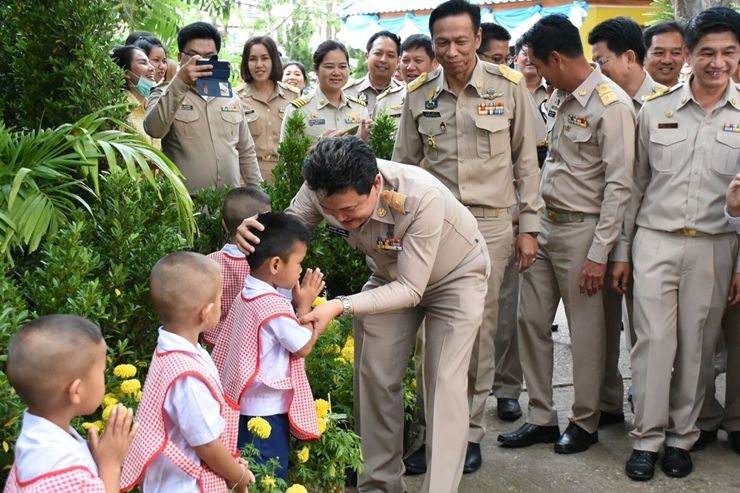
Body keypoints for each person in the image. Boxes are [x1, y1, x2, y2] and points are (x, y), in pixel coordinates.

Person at [235, 136, 490, 493]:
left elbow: (412, 290)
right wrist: (251, 232)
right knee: (374, 374)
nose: (341, 220)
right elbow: (284, 238)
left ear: (376, 185)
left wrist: (339, 305)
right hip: (388, 275)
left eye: (350, 210)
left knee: (443, 383)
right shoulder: (318, 189)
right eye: (332, 211)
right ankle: (379, 485)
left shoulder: (420, 197)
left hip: (454, 278)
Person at [392, 0, 543, 474]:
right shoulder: (419, 94)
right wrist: (395, 232)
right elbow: (400, 169)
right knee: (428, 337)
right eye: (442, 43)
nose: (452, 51)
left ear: (478, 38)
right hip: (432, 226)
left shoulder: (508, 87)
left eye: (461, 41)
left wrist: (529, 228)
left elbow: (526, 162)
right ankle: (434, 431)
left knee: (476, 332)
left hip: (493, 224)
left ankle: (469, 432)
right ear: (431, 43)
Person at [610, 7, 740, 481]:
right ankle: (646, 439)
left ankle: (682, 439)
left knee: (698, 348)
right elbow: (634, 188)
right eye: (707, 52)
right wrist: (622, 252)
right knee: (652, 344)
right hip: (655, 242)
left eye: (728, 52)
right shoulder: (656, 111)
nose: (717, 62)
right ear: (690, 54)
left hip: (715, 246)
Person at [498, 14, 635, 455]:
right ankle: (541, 415)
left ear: (556, 58)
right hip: (546, 227)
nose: (536, 74)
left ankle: (586, 418)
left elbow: (619, 186)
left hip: (584, 232)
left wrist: (600, 253)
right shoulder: (561, 98)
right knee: (531, 322)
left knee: (587, 332)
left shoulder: (610, 105)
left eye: (539, 65)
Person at [587, 15, 666, 427]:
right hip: (607, 235)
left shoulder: (665, 104)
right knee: (603, 329)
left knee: (648, 332)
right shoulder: (599, 101)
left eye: (601, 61)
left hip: (652, 237)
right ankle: (608, 404)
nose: (596, 70)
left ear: (630, 57)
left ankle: (653, 406)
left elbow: (641, 186)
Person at [121, 252, 254, 492]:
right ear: (205, 312)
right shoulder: (188, 378)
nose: (223, 301)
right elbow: (206, 444)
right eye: (220, 296)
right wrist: (238, 475)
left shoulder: (174, 348)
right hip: (184, 484)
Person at [212, 212, 325, 479]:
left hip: (243, 408)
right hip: (267, 414)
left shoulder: (249, 292)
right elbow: (303, 346)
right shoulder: (272, 306)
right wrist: (305, 305)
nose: (300, 270)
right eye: (299, 263)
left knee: (248, 474)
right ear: (275, 265)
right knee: (269, 476)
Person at [4, 315, 137, 493]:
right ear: (77, 391)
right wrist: (110, 465)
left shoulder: (34, 442)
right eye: (102, 372)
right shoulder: (70, 475)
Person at [144, 21, 261, 193]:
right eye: (194, 56)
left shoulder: (230, 96)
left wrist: (258, 195)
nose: (202, 62)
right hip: (187, 205)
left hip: (229, 205)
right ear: (179, 57)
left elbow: (246, 150)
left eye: (209, 56)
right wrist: (181, 82)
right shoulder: (164, 93)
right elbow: (154, 129)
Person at [203, 186, 272, 346]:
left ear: (224, 225)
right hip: (254, 343)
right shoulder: (269, 264)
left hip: (215, 343)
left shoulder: (209, 263)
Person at [281, 40, 370, 144]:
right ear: (316, 69)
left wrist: (364, 140)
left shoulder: (359, 108)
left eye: (342, 67)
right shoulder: (297, 111)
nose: (336, 72)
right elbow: (287, 157)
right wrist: (321, 146)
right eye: (329, 66)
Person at [238, 36, 300, 183]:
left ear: (274, 60)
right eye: (253, 59)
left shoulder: (293, 95)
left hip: (284, 175)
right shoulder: (237, 98)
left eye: (265, 58)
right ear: (246, 63)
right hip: (247, 176)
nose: (259, 64)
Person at [111, 45, 161, 149]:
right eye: (143, 63)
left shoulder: (154, 105)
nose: (152, 68)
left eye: (149, 62)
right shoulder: (118, 108)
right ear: (126, 73)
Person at [376, 34, 437, 119]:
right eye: (405, 61)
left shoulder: (446, 98)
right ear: (399, 61)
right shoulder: (385, 102)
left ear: (435, 63)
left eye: (418, 61)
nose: (410, 67)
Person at [344, 31, 404, 116]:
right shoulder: (347, 92)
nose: (383, 60)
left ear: (398, 61)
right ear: (367, 56)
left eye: (390, 55)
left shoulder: (405, 94)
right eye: (378, 53)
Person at [643, 21, 686, 88]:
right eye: (659, 53)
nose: (667, 61)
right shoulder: (627, 96)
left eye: (675, 53)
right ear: (643, 56)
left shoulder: (695, 96)